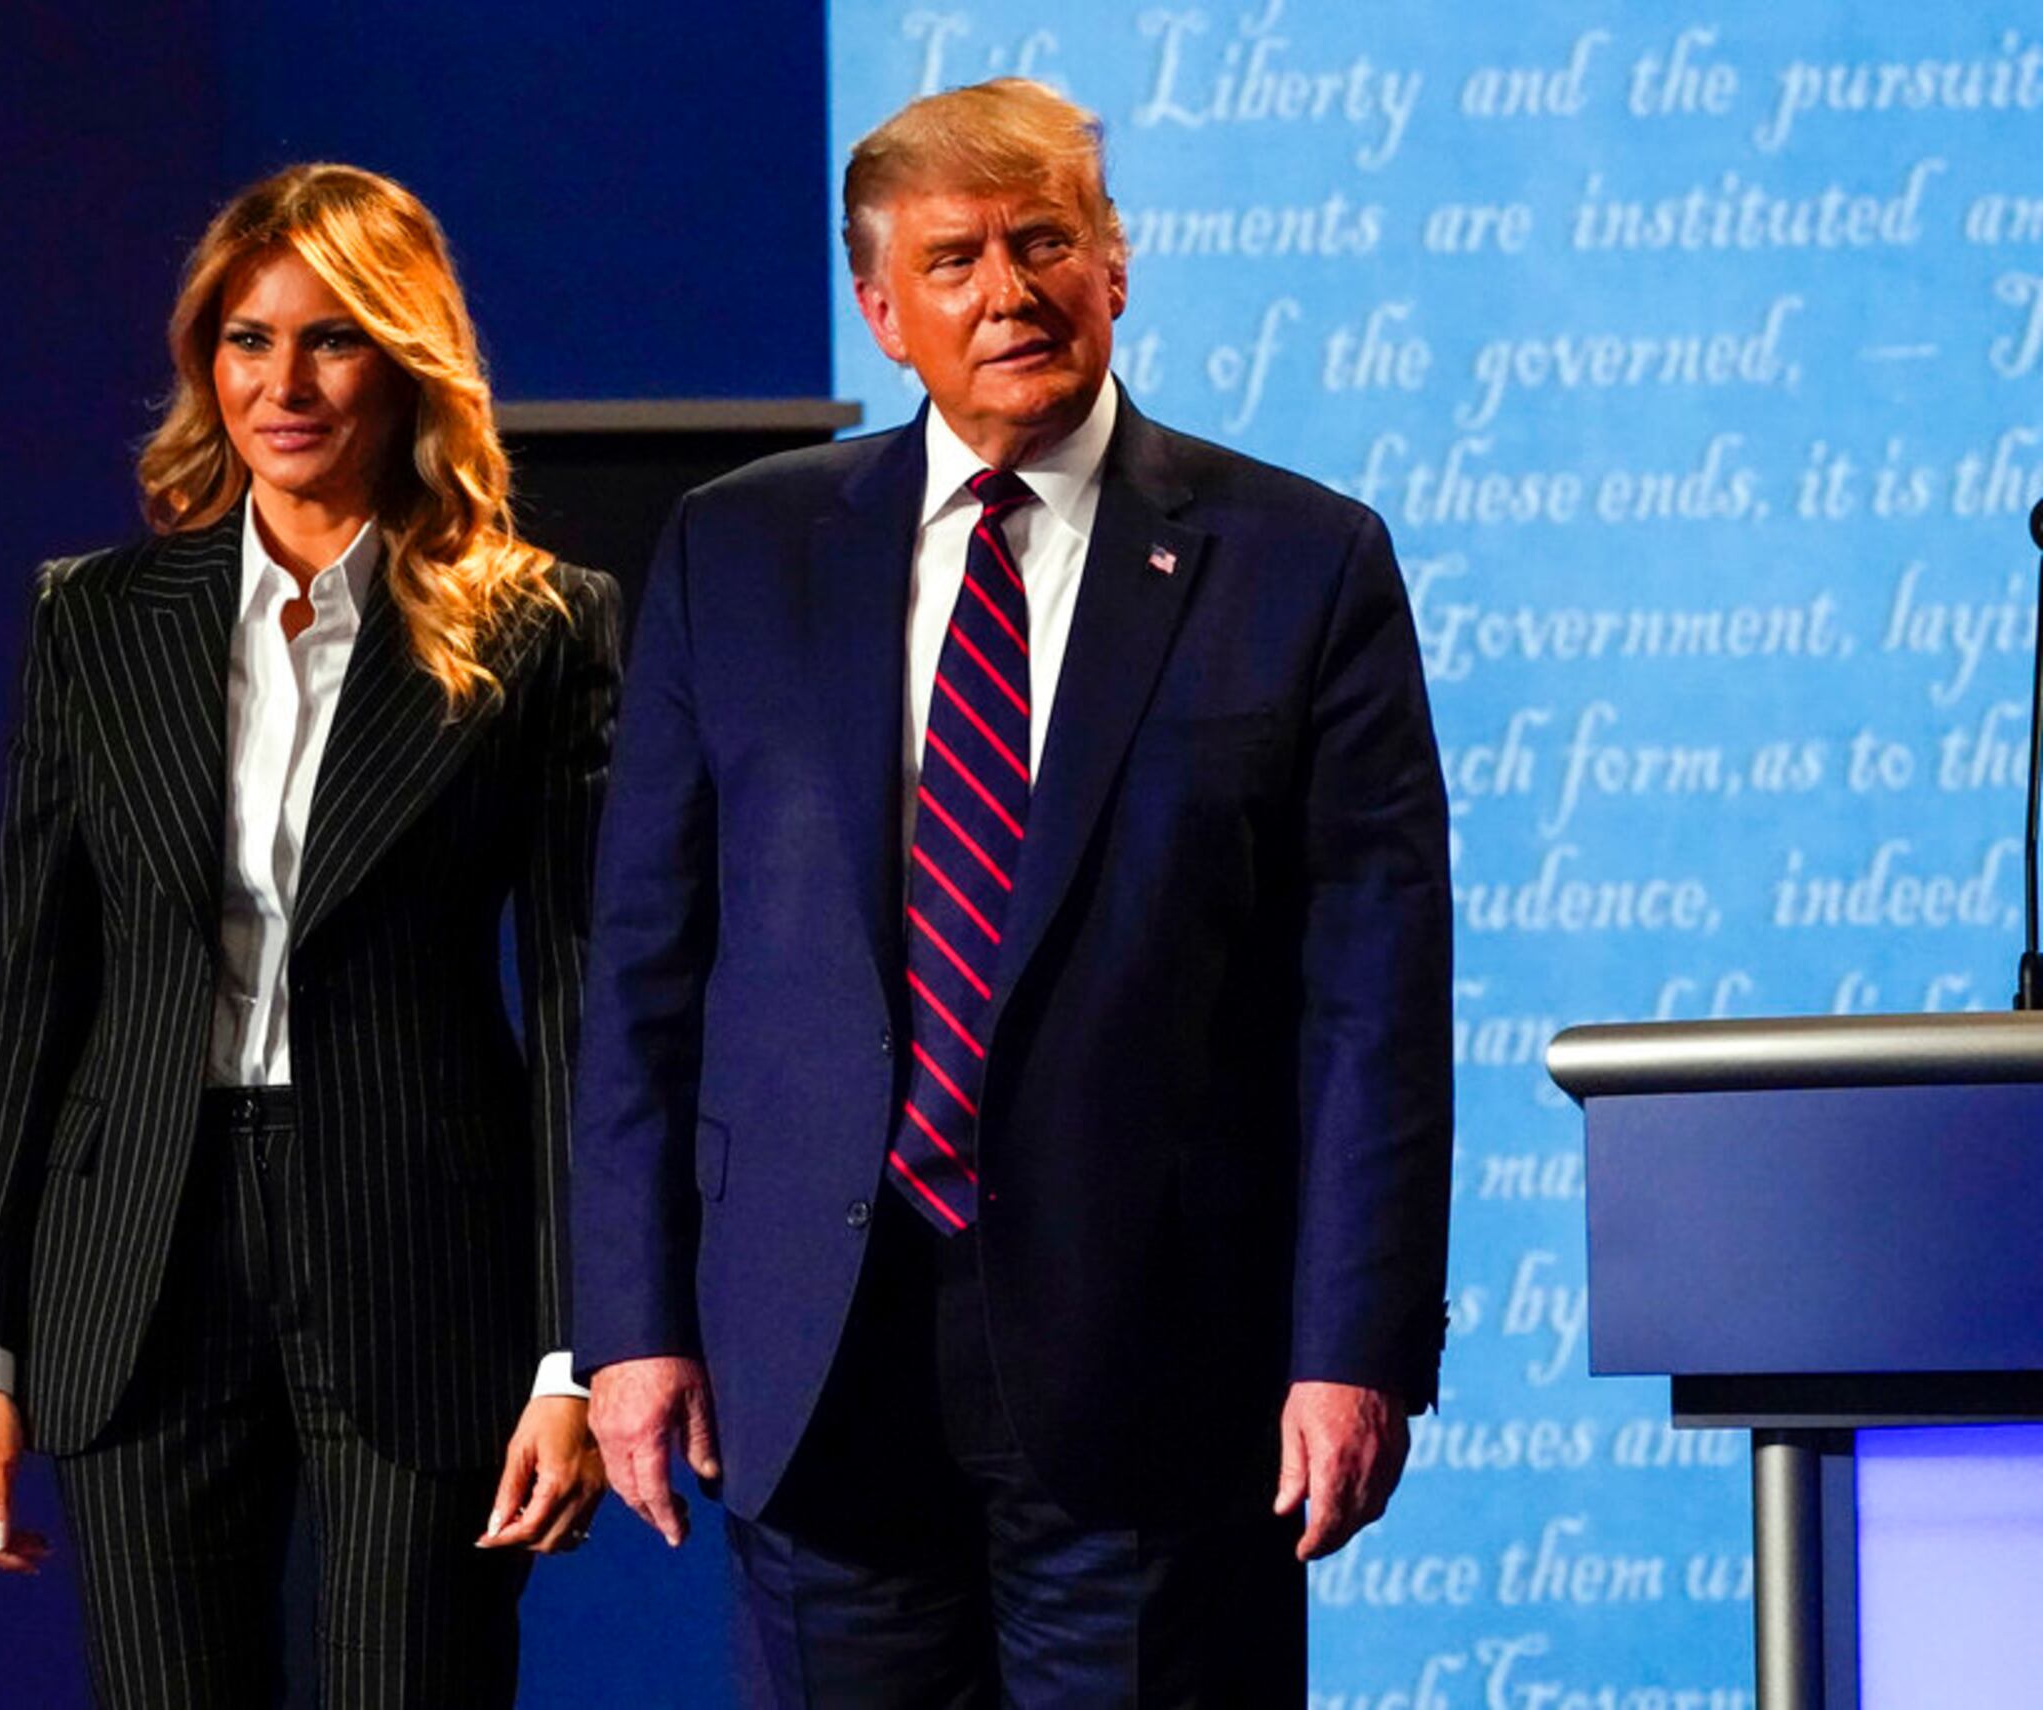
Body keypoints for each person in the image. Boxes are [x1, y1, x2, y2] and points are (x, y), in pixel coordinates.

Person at [573, 79, 1451, 1703]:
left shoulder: (1301, 560)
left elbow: (1372, 1007)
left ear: (1116, 268)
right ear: (882, 309)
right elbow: (645, 972)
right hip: (819, 1358)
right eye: (957, 255)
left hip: (1165, 1373)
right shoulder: (737, 553)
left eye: (1047, 240)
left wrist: (1355, 1344)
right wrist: (623, 1322)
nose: (1009, 289)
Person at [0, 163, 617, 1708]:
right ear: (205, 365)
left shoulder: (543, 625)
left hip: (422, 1246)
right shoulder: (96, 619)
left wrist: (575, 1354)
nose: (282, 383)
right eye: (246, 340)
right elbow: (29, 993)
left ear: (407, 358)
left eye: (332, 340)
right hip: (140, 1255)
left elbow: (583, 1009)